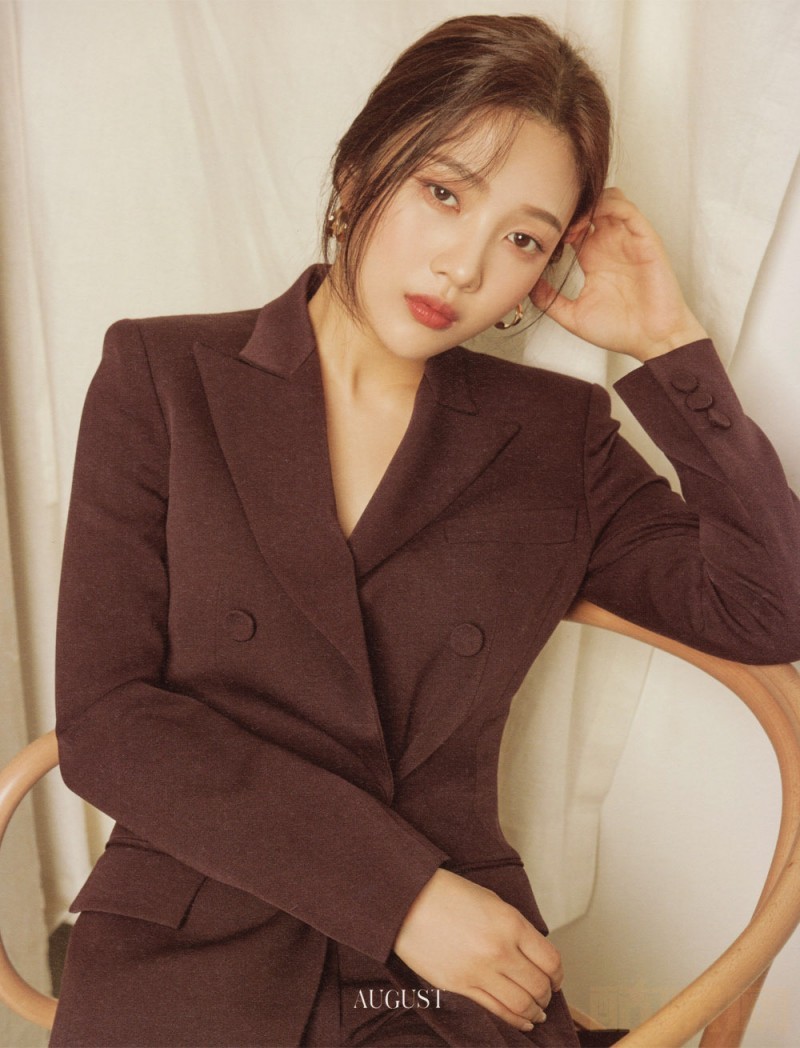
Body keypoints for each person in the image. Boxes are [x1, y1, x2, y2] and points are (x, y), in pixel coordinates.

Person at [49, 13, 800, 1048]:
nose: (463, 266)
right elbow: (109, 721)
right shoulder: (163, 378)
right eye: (444, 193)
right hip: (195, 945)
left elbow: (767, 609)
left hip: (439, 987)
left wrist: (667, 345)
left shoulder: (554, 438)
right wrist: (402, 895)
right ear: (358, 170)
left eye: (523, 238)